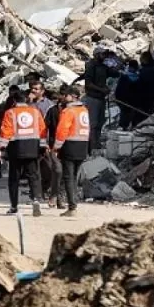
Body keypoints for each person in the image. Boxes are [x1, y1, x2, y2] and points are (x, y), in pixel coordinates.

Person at [0, 88, 46, 216]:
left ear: (14, 100)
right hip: (32, 148)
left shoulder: (10, 113)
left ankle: (14, 206)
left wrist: (0, 149)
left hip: (16, 149)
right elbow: (42, 130)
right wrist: (42, 147)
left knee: (14, 178)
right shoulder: (35, 112)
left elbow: (6, 132)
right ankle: (36, 199)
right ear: (26, 100)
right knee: (33, 176)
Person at [52, 86, 90, 217]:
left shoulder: (68, 111)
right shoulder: (84, 110)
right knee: (74, 177)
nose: (63, 97)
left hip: (70, 145)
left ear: (73, 97)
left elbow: (62, 130)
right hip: (82, 145)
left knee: (68, 177)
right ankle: (74, 203)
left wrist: (56, 147)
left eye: (66, 95)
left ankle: (72, 207)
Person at [80, 49, 116, 149]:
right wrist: (102, 89)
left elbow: (115, 73)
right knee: (93, 123)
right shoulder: (91, 66)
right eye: (102, 54)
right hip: (92, 98)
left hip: (101, 98)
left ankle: (97, 143)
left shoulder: (103, 67)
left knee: (100, 122)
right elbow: (88, 84)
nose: (104, 56)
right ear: (96, 55)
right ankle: (91, 145)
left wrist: (116, 61)